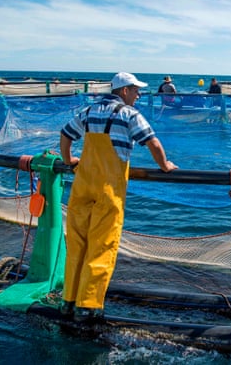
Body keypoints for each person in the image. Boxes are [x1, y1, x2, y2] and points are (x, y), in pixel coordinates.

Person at [59, 71, 178, 323]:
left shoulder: (89, 111)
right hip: (107, 190)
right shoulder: (129, 114)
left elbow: (66, 134)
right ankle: (88, 306)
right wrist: (165, 165)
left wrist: (68, 160)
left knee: (77, 244)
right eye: (135, 90)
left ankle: (68, 301)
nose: (138, 95)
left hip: (82, 185)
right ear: (124, 91)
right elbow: (153, 143)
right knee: (102, 245)